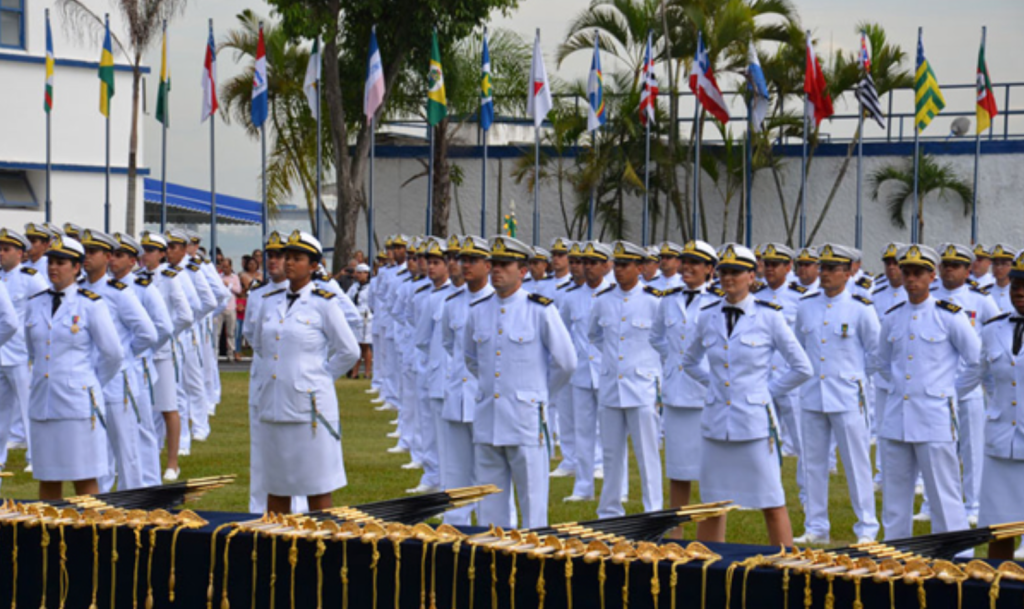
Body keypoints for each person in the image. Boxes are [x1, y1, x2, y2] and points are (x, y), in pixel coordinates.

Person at [683, 244, 812, 546]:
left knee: (770, 499)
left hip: (754, 423)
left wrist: (766, 392)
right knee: (712, 504)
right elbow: (689, 361)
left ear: (752, 276)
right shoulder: (707, 315)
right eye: (725, 272)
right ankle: (708, 567)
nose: (729, 278)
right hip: (716, 424)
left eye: (737, 272)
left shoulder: (769, 317)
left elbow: (802, 367)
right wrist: (714, 385)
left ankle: (786, 566)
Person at [464, 235, 576, 528]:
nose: (497, 270)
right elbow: (471, 359)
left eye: (505, 264)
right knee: (489, 507)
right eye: (494, 264)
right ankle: (494, 563)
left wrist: (538, 395)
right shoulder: (478, 310)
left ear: (523, 271)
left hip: (525, 420)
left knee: (533, 506)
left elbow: (566, 362)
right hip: (489, 418)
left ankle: (534, 566)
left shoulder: (540, 309)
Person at [872, 244, 981, 542]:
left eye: (918, 273)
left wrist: (948, 394)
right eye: (906, 272)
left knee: (944, 495)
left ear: (932, 276)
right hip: (897, 417)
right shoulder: (893, 317)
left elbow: (976, 362)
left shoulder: (949, 315)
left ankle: (955, 557)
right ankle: (896, 554)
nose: (910, 279)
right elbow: (880, 362)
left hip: (934, 418)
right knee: (895, 498)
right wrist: (897, 388)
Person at [252, 230, 360, 514]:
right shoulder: (270, 301)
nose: (288, 263)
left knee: (317, 486)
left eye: (297, 258)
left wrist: (319, 377)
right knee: (275, 486)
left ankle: (320, 552)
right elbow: (260, 344)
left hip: (310, 409)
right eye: (287, 257)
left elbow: (349, 350)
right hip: (275, 404)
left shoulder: (324, 302)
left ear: (314, 265)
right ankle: (275, 550)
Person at [792, 244, 880, 545]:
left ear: (847, 272)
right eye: (823, 268)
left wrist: (856, 380)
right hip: (813, 394)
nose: (825, 273)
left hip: (847, 395)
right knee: (813, 463)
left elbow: (876, 353)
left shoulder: (860, 307)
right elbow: (798, 350)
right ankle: (816, 526)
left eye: (832, 269)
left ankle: (867, 527)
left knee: (856, 463)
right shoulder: (806, 305)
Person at [25, 235, 123, 500]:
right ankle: (49, 538)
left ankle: (89, 538)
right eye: (51, 262)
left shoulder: (90, 304)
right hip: (43, 403)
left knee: (84, 477)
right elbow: (34, 350)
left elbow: (113, 354)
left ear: (76, 267)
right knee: (47, 477)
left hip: (77, 404)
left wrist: (87, 382)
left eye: (61, 262)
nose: (53, 268)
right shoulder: (35, 303)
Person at [79, 229, 158, 491]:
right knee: (93, 448)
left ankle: (132, 506)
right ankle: (99, 505)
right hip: (88, 380)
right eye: (85, 251)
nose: (86, 257)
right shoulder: (77, 290)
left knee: (126, 448)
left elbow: (147, 332)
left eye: (93, 252)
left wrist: (125, 355)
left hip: (116, 380)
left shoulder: (119, 292)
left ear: (107, 256)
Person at [931, 243, 1001, 524]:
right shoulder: (930, 296)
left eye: (956, 265)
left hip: (970, 384)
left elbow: (997, 333)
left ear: (968, 269)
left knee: (972, 448)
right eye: (945, 264)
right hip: (936, 387)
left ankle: (973, 504)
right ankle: (931, 502)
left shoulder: (980, 299)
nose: (949, 269)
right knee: (935, 448)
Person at [651, 240, 718, 513]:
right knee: (677, 467)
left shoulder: (718, 301)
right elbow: (656, 337)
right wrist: (675, 361)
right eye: (685, 261)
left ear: (710, 269)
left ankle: (709, 529)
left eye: (695, 263)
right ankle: (676, 529)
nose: (687, 267)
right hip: (677, 392)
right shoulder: (669, 299)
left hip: (705, 393)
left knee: (709, 469)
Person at [243, 232, 307, 514]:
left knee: (298, 446)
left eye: (280, 255)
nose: (274, 261)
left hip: (297, 379)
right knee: (262, 446)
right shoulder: (258, 294)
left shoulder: (310, 292)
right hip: (263, 377)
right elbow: (252, 338)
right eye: (270, 255)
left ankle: (301, 506)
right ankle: (260, 507)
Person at [111, 232, 174, 488]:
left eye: (119, 256)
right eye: (112, 255)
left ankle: (149, 481)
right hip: (112, 369)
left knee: (143, 426)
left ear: (132, 261)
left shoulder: (143, 288)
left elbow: (164, 327)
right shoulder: (104, 288)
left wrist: (141, 351)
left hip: (138, 366)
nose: (113, 261)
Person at [973, 249, 1024, 560]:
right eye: (1017, 284)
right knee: (999, 527)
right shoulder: (994, 328)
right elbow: (985, 376)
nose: (1020, 292)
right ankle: (994, 592)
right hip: (1002, 440)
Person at [440, 235, 494, 524]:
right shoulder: (452, 302)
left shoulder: (496, 302)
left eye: (473, 260)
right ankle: (457, 524)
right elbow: (450, 346)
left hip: (484, 397)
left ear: (488, 265)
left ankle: (494, 522)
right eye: (464, 259)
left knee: (489, 468)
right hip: (456, 394)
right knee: (457, 468)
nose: (466, 265)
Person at [558, 241, 613, 502]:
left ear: (607, 265)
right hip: (581, 372)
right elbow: (564, 334)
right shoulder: (571, 297)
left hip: (607, 371)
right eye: (585, 262)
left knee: (610, 429)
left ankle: (612, 480)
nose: (588, 267)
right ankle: (583, 486)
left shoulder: (613, 295)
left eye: (594, 263)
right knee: (583, 430)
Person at [137, 232, 194, 482]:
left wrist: (165, 335)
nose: (145, 255)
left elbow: (185, 315)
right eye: (144, 250)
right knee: (140, 409)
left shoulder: (170, 279)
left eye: (151, 250)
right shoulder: (135, 280)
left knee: (168, 407)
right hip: (139, 353)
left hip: (161, 353)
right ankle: (140, 458)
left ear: (161, 254)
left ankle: (172, 462)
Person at [165, 229, 217, 456]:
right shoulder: (164, 272)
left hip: (186, 333)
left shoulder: (191, 270)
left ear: (185, 248)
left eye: (174, 247)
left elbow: (207, 301)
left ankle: (198, 428)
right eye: (167, 247)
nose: (169, 252)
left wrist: (194, 323)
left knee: (190, 382)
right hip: (169, 337)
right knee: (170, 388)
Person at [0, 228, 49, 470]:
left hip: (21, 351)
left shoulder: (31, 277)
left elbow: (44, 308)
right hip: (1, 351)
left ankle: (36, 455)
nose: (1, 253)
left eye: (6, 249)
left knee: (29, 405)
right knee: (2, 409)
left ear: (20, 253)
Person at [347, 263, 373, 378]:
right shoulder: (354, 287)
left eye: (360, 273)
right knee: (356, 345)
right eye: (357, 273)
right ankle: (354, 371)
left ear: (366, 274)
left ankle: (367, 372)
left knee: (365, 345)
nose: (358, 275)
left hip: (367, 317)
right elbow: (347, 299)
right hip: (356, 317)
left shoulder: (371, 287)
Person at [216, 257, 243, 362]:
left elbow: (239, 290)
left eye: (227, 267)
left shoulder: (235, 277)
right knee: (217, 332)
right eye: (223, 267)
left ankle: (231, 353)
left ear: (231, 267)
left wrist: (229, 285)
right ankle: (216, 353)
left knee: (231, 333)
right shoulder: (218, 277)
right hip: (220, 308)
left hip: (231, 307)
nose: (225, 269)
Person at [987, 243, 1015, 312]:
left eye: (1004, 264)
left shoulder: (1018, 293)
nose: (999, 268)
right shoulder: (985, 292)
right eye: (996, 264)